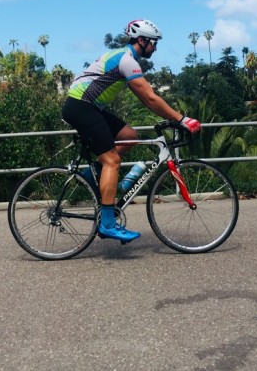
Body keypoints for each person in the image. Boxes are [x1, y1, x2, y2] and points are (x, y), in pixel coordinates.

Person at [61, 19, 201, 243]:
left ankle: (92, 176)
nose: (155, 48)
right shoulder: (127, 61)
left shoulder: (124, 57)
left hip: (87, 106)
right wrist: (182, 119)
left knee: (130, 137)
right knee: (112, 161)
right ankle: (107, 224)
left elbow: (147, 100)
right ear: (142, 40)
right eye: (153, 43)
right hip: (81, 106)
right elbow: (149, 98)